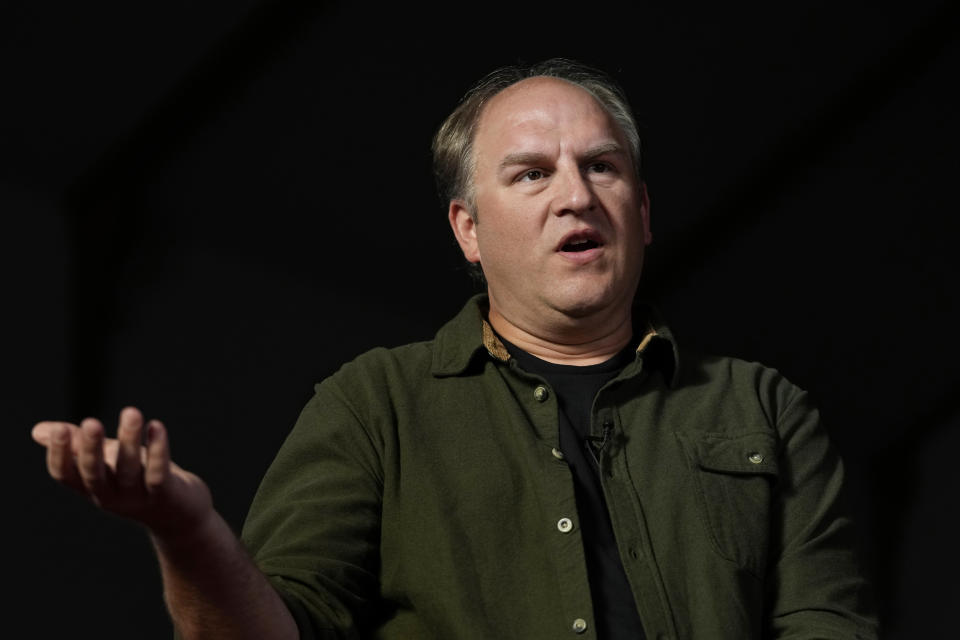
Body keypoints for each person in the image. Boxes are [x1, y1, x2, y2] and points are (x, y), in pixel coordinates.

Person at [31, 58, 879, 639]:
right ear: (468, 230)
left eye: (603, 167)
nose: (576, 195)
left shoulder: (763, 409)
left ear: (644, 212)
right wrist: (186, 530)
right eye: (531, 174)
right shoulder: (376, 406)